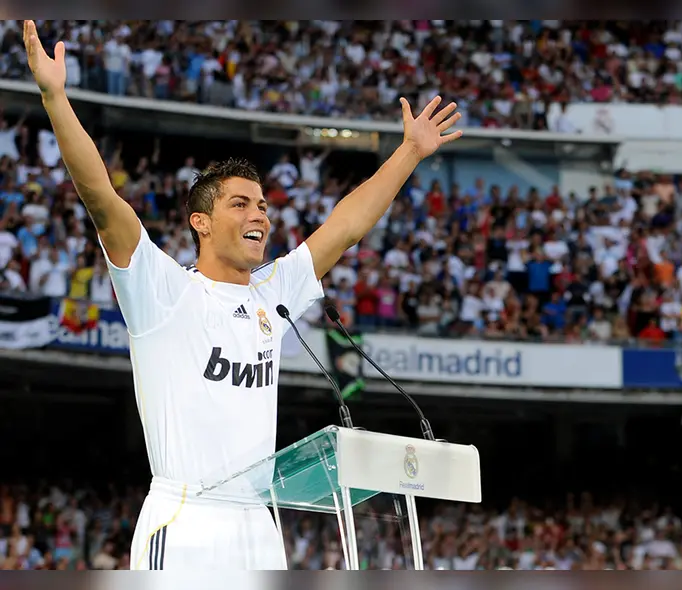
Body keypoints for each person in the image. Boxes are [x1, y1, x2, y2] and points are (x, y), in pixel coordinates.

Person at [22, 20, 462, 570]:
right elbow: (101, 197)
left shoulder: (273, 294)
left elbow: (345, 226)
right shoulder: (163, 290)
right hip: (185, 515)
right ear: (200, 222)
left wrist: (409, 154)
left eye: (263, 206)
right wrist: (54, 96)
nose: (260, 215)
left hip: (259, 519)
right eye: (241, 204)